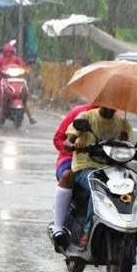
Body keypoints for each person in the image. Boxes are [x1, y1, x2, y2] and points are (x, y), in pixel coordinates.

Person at [64, 106, 133, 247]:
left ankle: (125, 227)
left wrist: (129, 146)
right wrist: (73, 145)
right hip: (84, 169)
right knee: (98, 186)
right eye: (108, 103)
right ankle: (87, 232)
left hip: (111, 172)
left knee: (130, 186)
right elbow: (67, 142)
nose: (110, 108)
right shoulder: (86, 117)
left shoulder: (123, 123)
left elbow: (129, 145)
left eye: (114, 104)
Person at [51, 102, 97, 249]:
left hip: (100, 164)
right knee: (68, 175)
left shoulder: (117, 120)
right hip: (71, 160)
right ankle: (58, 228)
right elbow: (58, 139)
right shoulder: (79, 113)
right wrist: (73, 148)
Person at [0, 43, 36, 124]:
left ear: (12, 52)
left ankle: (30, 117)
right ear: (4, 52)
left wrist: (26, 69)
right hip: (2, 79)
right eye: (7, 52)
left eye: (10, 52)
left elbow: (23, 66)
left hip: (16, 80)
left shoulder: (16, 59)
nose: (8, 54)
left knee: (23, 97)